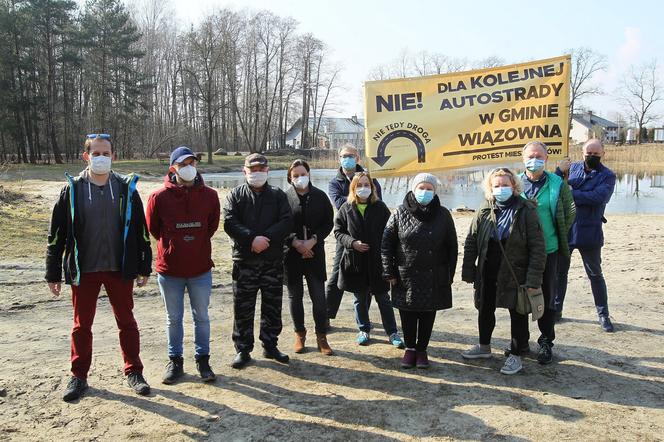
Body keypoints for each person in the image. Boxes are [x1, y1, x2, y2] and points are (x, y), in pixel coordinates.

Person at [45, 133, 152, 401]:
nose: (101, 158)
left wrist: (144, 265)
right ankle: (78, 376)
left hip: (120, 269)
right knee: (82, 326)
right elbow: (56, 234)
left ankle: (134, 372)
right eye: (96, 153)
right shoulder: (72, 190)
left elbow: (141, 230)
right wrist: (52, 272)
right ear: (86, 156)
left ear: (114, 156)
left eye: (106, 153)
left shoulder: (127, 188)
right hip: (84, 270)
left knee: (127, 322)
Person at [145, 146, 220, 384]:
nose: (189, 168)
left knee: (202, 317)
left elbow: (211, 227)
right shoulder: (158, 197)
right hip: (170, 271)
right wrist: (172, 246)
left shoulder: (210, 195)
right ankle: (175, 362)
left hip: (200, 269)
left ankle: (203, 361)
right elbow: (153, 229)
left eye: (192, 163)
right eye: (183, 164)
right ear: (173, 168)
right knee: (173, 318)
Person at [461, 167, 546, 375]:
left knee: (517, 313)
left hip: (515, 273)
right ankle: (484, 347)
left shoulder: (526, 210)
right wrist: (468, 268)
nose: (501, 189)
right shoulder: (484, 208)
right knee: (485, 308)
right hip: (488, 269)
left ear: (514, 186)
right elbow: (471, 240)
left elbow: (538, 247)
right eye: (496, 185)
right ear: (490, 187)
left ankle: (516, 355)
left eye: (505, 185)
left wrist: (533, 278)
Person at [223, 153, 293, 368]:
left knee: (272, 305)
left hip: (272, 261)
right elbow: (229, 222)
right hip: (245, 261)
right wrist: (251, 239)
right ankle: (243, 350)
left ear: (268, 171)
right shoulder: (235, 195)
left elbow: (287, 221)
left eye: (261, 169)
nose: (257, 173)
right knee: (243, 308)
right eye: (253, 169)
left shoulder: (278, 195)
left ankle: (270, 345)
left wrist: (267, 238)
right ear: (245, 171)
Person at [381, 173, 458, 369]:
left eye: (429, 188)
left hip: (434, 274)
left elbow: (452, 246)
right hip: (405, 274)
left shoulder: (443, 214)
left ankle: (422, 349)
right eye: (421, 188)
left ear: (435, 191)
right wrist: (388, 271)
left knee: (427, 312)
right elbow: (386, 244)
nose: (425, 192)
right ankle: (410, 349)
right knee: (407, 312)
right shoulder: (399, 212)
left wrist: (448, 274)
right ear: (413, 190)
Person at [516, 141, 576, 364]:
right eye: (530, 156)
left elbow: (569, 213)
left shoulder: (558, 183)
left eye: (539, 156)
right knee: (519, 298)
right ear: (523, 159)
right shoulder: (515, 183)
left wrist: (555, 233)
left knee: (547, 297)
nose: (534, 160)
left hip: (549, 250)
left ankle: (546, 341)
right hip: (519, 252)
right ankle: (520, 342)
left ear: (547, 158)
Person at [334, 172, 403, 348]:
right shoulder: (346, 208)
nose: (363, 188)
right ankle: (363, 329)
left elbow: (391, 231)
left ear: (372, 188)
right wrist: (352, 243)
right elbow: (338, 232)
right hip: (355, 261)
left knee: (383, 298)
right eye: (359, 185)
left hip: (377, 262)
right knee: (360, 298)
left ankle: (392, 332)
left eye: (367, 185)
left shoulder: (380, 207)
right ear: (353, 188)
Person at [555, 139, 616, 332]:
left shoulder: (608, 175)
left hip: (590, 231)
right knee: (560, 273)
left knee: (595, 274)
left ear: (603, 154)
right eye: (588, 153)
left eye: (596, 154)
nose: (592, 156)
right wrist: (558, 171)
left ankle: (603, 314)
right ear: (582, 152)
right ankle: (556, 310)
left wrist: (572, 193)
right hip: (566, 230)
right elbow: (555, 189)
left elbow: (600, 197)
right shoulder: (570, 169)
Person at [326, 144, 382, 323]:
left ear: (358, 158)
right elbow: (338, 202)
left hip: (369, 237)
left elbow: (376, 201)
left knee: (367, 278)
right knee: (336, 276)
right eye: (344, 156)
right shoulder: (335, 182)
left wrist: (359, 196)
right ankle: (326, 315)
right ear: (339, 158)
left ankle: (363, 318)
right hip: (346, 236)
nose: (347, 159)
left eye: (351, 155)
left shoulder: (370, 179)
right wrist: (358, 197)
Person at [283, 159, 335, 355]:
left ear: (309, 174)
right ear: (290, 177)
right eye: (295, 175)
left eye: (303, 174)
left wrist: (313, 240)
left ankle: (322, 336)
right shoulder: (284, 198)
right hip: (292, 254)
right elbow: (281, 224)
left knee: (319, 298)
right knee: (294, 297)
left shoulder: (320, 196)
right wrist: (295, 243)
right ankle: (300, 334)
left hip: (314, 253)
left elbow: (328, 223)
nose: (299, 178)